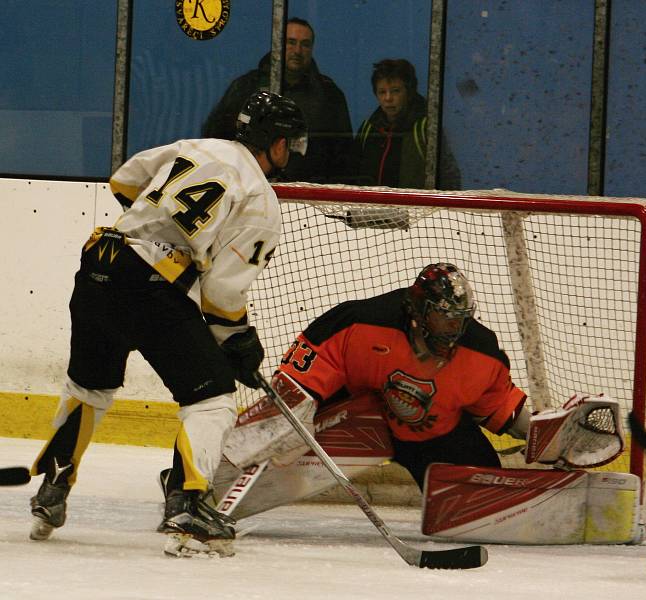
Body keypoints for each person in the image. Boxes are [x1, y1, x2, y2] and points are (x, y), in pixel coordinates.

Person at [27, 91, 307, 557]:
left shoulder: (198, 147)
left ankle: (52, 488)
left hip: (100, 263)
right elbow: (221, 296)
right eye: (290, 143)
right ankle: (189, 505)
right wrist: (239, 342)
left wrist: (162, 223)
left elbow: (123, 181)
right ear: (275, 144)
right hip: (148, 286)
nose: (291, 153)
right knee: (213, 395)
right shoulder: (260, 198)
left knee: (89, 387)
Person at [275, 262, 529, 489]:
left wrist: (537, 436)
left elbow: (498, 405)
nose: (455, 328)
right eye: (444, 317)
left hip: (427, 432)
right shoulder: (360, 321)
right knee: (281, 433)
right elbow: (299, 378)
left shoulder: (480, 348)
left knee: (485, 483)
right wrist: (290, 419)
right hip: (353, 420)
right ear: (419, 311)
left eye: (460, 319)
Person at [202, 17, 352, 184]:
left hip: (310, 196)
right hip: (247, 188)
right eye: (291, 42)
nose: (297, 50)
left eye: (305, 44)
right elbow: (216, 138)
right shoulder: (246, 86)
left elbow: (344, 156)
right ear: (277, 44)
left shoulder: (329, 95)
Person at [351, 59, 461, 190]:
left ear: (409, 92)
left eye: (395, 91)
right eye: (382, 92)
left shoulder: (425, 127)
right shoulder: (368, 128)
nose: (388, 98)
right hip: (370, 208)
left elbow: (449, 177)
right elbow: (353, 173)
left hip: (416, 209)